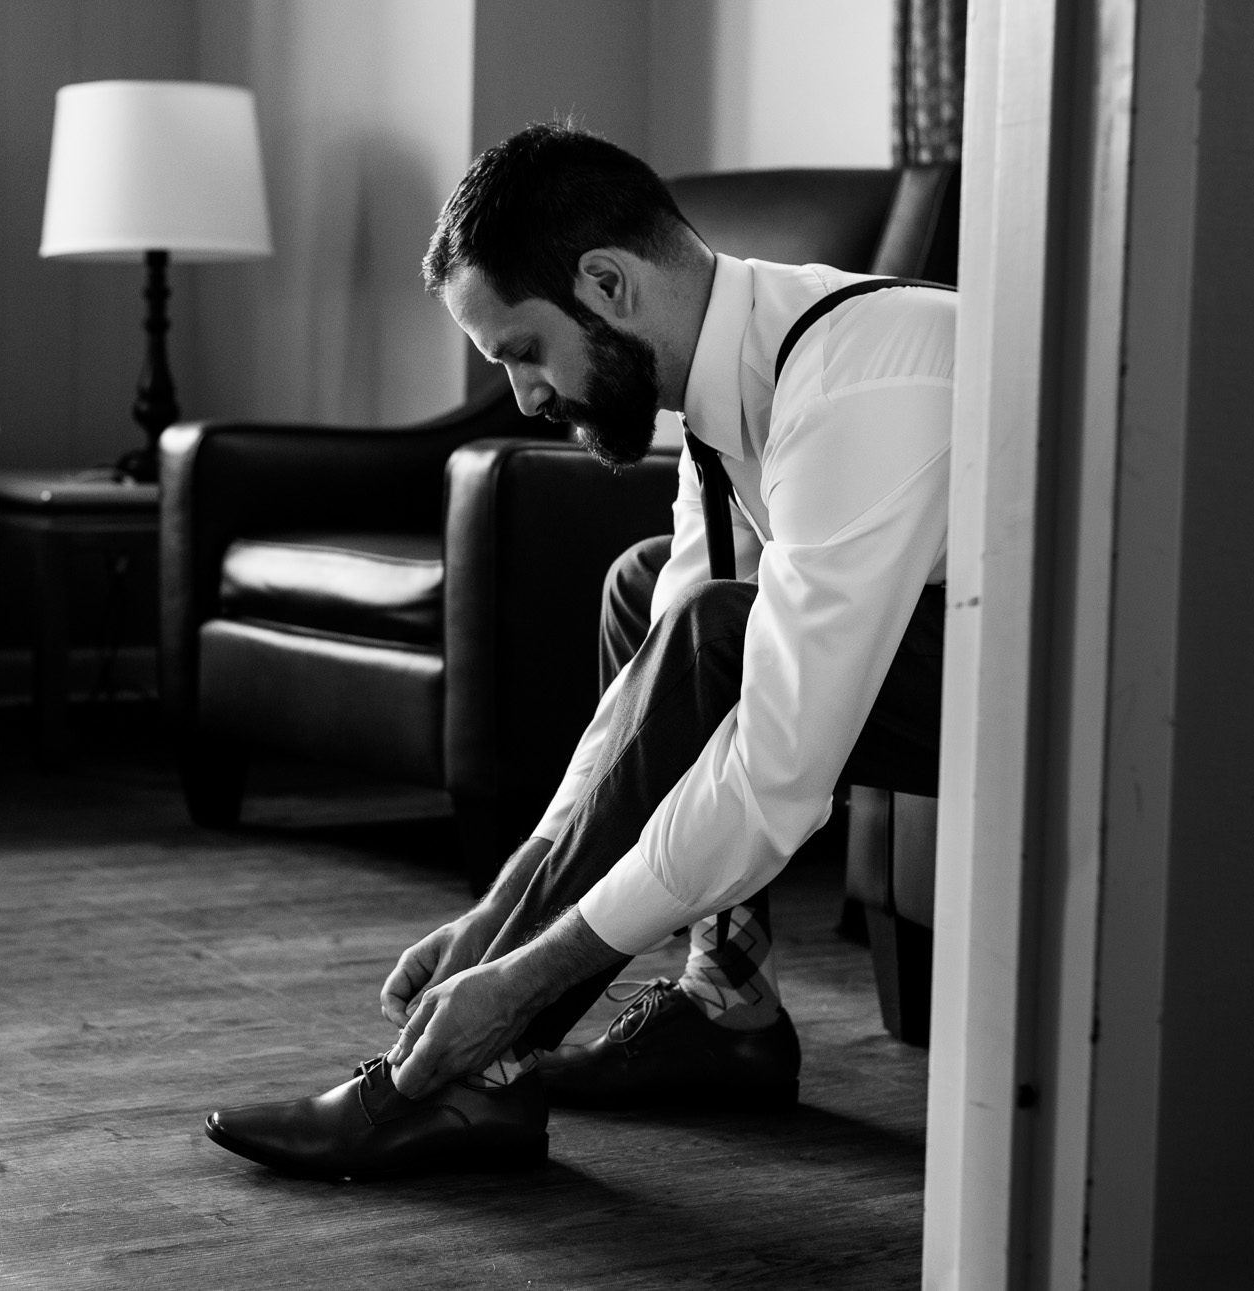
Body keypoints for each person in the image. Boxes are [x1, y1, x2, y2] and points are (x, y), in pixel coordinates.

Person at [204, 123, 953, 1180]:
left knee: (710, 632)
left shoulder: (852, 381)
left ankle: (467, 1077)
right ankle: (724, 1002)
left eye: (520, 351)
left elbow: (772, 772)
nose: (523, 397)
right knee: (650, 586)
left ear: (606, 283)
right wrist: (498, 908)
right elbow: (649, 690)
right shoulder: (724, 387)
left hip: (1088, 700)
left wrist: (520, 980)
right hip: (951, 661)